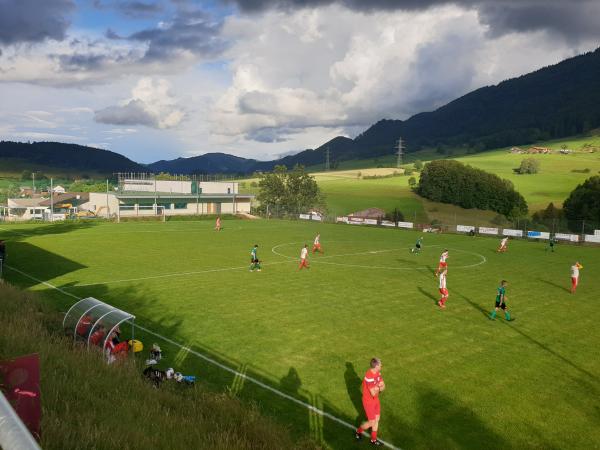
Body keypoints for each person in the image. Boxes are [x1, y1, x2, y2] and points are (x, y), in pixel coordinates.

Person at [355, 358, 385, 446]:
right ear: (376, 366)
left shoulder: (377, 373)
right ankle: (358, 431)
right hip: (368, 402)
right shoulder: (369, 376)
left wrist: (378, 388)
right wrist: (379, 387)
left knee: (377, 419)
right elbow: (373, 392)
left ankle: (373, 439)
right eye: (380, 365)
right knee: (372, 422)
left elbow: (384, 386)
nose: (381, 366)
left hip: (376, 400)